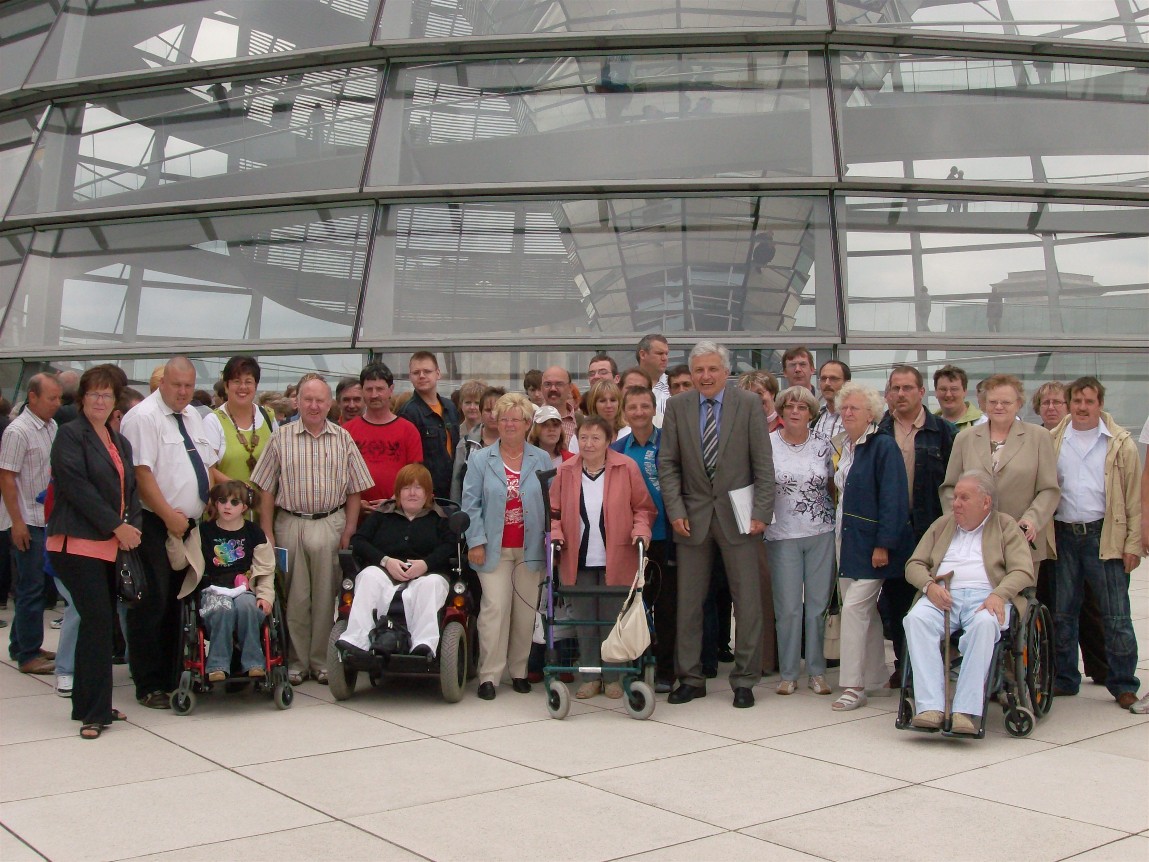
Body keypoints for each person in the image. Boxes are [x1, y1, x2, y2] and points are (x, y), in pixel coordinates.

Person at [660, 340, 775, 709]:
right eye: (698, 370)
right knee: (689, 602)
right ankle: (690, 677)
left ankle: (744, 679)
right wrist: (675, 509)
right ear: (690, 374)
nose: (705, 376)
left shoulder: (749, 404)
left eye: (712, 369)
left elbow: (763, 464)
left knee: (747, 601)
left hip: (740, 517)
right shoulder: (677, 407)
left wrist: (761, 511)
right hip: (692, 517)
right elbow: (669, 464)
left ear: (726, 372)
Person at [250, 375, 373, 685]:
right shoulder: (280, 437)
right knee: (295, 596)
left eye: (320, 400)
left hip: (330, 522)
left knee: (325, 597)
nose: (314, 406)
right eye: (308, 400)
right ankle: (296, 662)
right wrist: (267, 531)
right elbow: (265, 489)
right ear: (298, 402)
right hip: (290, 523)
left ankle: (320, 661)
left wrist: (349, 528)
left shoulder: (342, 438)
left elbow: (356, 490)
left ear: (329, 403)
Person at [46, 365, 143, 738]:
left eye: (107, 395)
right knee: (99, 623)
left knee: (96, 625)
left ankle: (88, 703)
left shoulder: (118, 441)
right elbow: (76, 487)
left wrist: (130, 527)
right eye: (93, 394)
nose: (100, 401)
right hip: (76, 545)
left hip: (110, 546)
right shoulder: (70, 436)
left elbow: (129, 489)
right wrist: (115, 525)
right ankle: (94, 713)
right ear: (82, 398)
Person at [903, 470, 1035, 734]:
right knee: (915, 620)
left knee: (985, 625)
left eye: (964, 498)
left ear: (986, 502)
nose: (956, 504)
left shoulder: (1005, 525)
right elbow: (914, 564)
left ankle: (965, 711)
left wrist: (998, 594)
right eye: (955, 497)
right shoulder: (942, 525)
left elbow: (1023, 571)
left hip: (986, 597)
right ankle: (931, 707)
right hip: (943, 595)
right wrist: (929, 587)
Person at [119, 357, 218, 708]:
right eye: (176, 385)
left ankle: (177, 673)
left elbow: (204, 464)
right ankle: (149, 683)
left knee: (181, 601)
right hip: (155, 524)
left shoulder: (193, 416)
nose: (182, 392)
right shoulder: (143, 418)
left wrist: (214, 495)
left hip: (189, 525)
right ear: (162, 383)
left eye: (189, 386)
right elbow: (141, 475)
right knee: (153, 602)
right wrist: (167, 515)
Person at [1049, 376, 1141, 708]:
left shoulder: (1120, 443)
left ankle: (1123, 683)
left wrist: (1133, 544)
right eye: (1077, 401)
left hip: (1105, 536)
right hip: (1064, 535)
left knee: (1116, 617)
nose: (1083, 407)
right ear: (1069, 404)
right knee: (1063, 614)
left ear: (1100, 404)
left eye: (1089, 401)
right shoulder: (1052, 440)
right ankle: (1064, 678)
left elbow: (1133, 499)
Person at [550, 416, 655, 699]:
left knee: (612, 620)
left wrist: (641, 529)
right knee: (585, 622)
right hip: (579, 557)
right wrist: (556, 533)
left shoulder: (626, 467)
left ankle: (613, 678)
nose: (589, 443)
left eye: (596, 438)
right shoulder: (566, 471)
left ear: (608, 440)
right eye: (584, 437)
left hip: (617, 556)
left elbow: (643, 509)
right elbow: (554, 512)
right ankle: (589, 677)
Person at [461, 392, 552, 700]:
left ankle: (519, 671)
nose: (510, 424)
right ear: (496, 422)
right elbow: (470, 504)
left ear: (528, 424)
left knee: (525, 615)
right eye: (504, 419)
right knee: (494, 610)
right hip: (493, 549)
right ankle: (489, 675)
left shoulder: (541, 459)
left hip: (530, 549)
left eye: (516, 419)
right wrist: (475, 540)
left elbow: (553, 502)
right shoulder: (479, 459)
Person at [832, 382, 912, 711]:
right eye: (844, 408)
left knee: (853, 610)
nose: (848, 413)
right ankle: (877, 677)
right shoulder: (845, 446)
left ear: (871, 415)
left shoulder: (883, 446)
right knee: (865, 613)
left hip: (872, 545)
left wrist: (884, 544)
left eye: (855, 408)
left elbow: (894, 498)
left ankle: (853, 686)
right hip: (846, 539)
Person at [876, 364, 957, 687]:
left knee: (930, 599)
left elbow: (955, 482)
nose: (900, 394)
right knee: (896, 602)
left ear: (922, 392)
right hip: (894, 530)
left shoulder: (944, 432)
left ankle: (933, 664)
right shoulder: (879, 431)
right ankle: (903, 664)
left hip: (932, 529)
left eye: (907, 388)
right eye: (895, 388)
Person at [942, 374, 1060, 566]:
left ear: (1018, 404)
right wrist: (958, 520)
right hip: (973, 541)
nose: (999, 407)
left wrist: (1031, 520)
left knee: (1020, 595)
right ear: (983, 404)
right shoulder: (964, 439)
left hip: (1021, 540)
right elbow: (949, 488)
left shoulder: (1039, 437)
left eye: (1006, 402)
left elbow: (1049, 489)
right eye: (993, 401)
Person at [339, 464, 454, 659]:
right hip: (387, 573)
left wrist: (425, 564)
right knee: (367, 576)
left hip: (426, 575)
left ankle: (423, 644)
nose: (412, 493)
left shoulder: (440, 518)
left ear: (428, 493)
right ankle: (356, 640)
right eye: (406, 488)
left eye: (418, 488)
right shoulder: (383, 515)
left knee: (431, 584)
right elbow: (359, 541)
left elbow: (451, 545)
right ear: (397, 493)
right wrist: (385, 561)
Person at [766, 386, 835, 696]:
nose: (795, 411)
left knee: (818, 606)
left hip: (821, 532)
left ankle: (817, 671)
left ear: (811, 413)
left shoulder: (824, 446)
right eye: (789, 406)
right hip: (781, 534)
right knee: (789, 608)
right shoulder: (767, 444)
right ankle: (789, 672)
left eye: (802, 407)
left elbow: (837, 484)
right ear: (781, 411)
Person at [168, 480, 275, 682]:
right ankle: (217, 664)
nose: (227, 506)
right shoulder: (202, 532)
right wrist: (174, 536)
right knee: (222, 608)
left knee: (247, 607)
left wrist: (266, 596)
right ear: (215, 504)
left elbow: (266, 569)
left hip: (244, 588)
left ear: (244, 507)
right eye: (222, 500)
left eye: (234, 502)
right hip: (213, 589)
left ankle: (254, 663)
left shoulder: (254, 533)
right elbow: (178, 564)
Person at [0, 373, 62, 675]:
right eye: (52, 398)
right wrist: (17, 522)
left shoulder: (51, 426)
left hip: (46, 519)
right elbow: (7, 477)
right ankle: (28, 654)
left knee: (35, 584)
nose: (57, 404)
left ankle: (22, 644)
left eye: (59, 398)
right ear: (33, 397)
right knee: (31, 587)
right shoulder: (18, 431)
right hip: (28, 520)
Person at [612, 386, 673, 691]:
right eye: (632, 407)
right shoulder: (618, 449)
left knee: (663, 604)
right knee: (634, 604)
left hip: (664, 535)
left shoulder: (668, 443)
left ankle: (664, 668)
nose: (638, 412)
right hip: (630, 539)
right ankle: (635, 664)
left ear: (653, 408)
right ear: (625, 412)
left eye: (644, 406)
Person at [345, 363, 422, 515]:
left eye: (380, 389)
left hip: (397, 516)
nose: (374, 395)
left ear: (391, 390)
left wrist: (395, 501)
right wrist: (354, 502)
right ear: (362, 391)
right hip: (356, 518)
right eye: (369, 389)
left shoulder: (408, 430)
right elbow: (338, 476)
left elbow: (416, 475)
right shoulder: (347, 431)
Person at [203, 356, 275, 485]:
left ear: (256, 386)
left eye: (248, 382)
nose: (243, 387)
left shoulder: (268, 417)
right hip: (229, 503)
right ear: (226, 386)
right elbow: (209, 469)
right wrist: (243, 490)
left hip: (266, 503)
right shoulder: (213, 421)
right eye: (236, 381)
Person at [398, 352, 460, 501]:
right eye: (416, 372)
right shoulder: (408, 413)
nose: (421, 376)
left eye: (427, 371)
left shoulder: (450, 407)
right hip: (427, 493)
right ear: (410, 376)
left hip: (454, 489)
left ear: (438, 373)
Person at [451, 386, 505, 502]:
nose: (493, 415)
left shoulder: (515, 443)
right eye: (488, 410)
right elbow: (456, 483)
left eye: (497, 410)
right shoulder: (466, 444)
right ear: (481, 411)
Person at [540, 366, 579, 451]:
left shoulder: (580, 421)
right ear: (541, 388)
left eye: (559, 384)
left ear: (570, 388)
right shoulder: (530, 420)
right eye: (548, 384)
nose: (553, 388)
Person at [933, 364, 983, 429]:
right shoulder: (927, 424)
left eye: (954, 389)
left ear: (965, 391)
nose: (948, 394)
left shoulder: (982, 424)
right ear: (936, 392)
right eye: (943, 389)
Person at [812, 359, 849, 441]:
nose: (827, 383)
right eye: (823, 378)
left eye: (833, 378)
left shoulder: (856, 416)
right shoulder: (814, 418)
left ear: (847, 383)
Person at [636, 334, 671, 414]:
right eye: (659, 353)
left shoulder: (674, 385)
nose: (665, 358)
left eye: (666, 354)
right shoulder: (626, 385)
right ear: (643, 354)